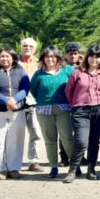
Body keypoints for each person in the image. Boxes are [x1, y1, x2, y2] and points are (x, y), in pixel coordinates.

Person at [63, 45, 100, 183]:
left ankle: (91, 169)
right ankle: (72, 170)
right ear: (86, 57)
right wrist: (75, 104)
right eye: (92, 56)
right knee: (81, 141)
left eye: (97, 56)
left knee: (94, 142)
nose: (94, 59)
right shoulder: (77, 72)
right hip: (80, 110)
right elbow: (68, 91)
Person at [0, 47, 30, 180]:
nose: (4, 58)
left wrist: (15, 99)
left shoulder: (21, 71)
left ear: (13, 58)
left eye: (7, 56)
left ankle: (13, 168)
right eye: (2, 56)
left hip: (17, 110)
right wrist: (6, 101)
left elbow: (25, 88)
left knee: (15, 139)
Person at [29, 46, 75, 179]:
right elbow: (33, 90)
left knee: (67, 137)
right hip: (44, 110)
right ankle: (54, 166)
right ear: (43, 58)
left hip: (64, 108)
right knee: (50, 139)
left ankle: (74, 166)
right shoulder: (39, 74)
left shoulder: (67, 70)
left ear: (58, 58)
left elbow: (74, 86)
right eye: (47, 56)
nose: (50, 59)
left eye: (53, 56)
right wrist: (44, 100)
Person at [20, 37, 43, 173]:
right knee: (15, 134)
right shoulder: (14, 62)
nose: (28, 48)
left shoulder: (40, 64)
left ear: (35, 49)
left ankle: (33, 161)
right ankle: (12, 162)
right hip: (18, 103)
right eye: (25, 46)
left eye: (31, 46)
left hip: (34, 103)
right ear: (21, 47)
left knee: (35, 132)